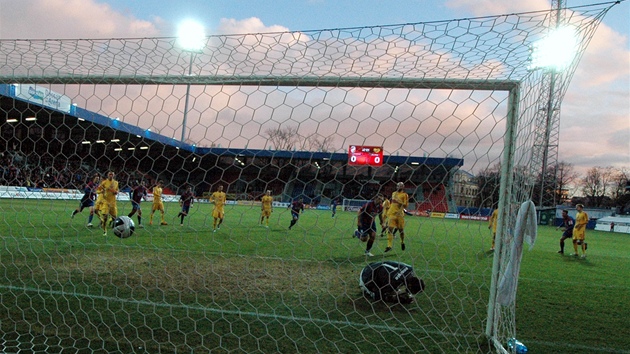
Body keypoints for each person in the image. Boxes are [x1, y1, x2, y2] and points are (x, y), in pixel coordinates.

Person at [359, 261, 425, 304]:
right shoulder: (393, 282)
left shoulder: (410, 269)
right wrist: (397, 299)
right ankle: (365, 288)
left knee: (394, 289)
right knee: (381, 296)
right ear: (410, 286)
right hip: (365, 275)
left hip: (373, 264)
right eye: (411, 291)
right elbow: (378, 297)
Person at [385, 182, 409, 252]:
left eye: (401, 186)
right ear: (396, 186)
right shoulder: (393, 193)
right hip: (392, 214)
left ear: (403, 187)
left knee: (401, 230)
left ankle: (402, 242)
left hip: (399, 215)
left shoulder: (405, 195)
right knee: (390, 229)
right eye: (398, 185)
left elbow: (406, 205)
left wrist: (398, 201)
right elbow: (393, 203)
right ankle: (389, 246)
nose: (399, 187)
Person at [98, 171, 119, 236]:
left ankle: (110, 221)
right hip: (106, 202)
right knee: (105, 217)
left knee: (115, 217)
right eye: (110, 174)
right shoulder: (104, 182)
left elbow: (117, 190)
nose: (111, 175)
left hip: (113, 202)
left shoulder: (116, 183)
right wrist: (101, 191)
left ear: (114, 175)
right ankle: (105, 230)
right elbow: (97, 190)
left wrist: (116, 192)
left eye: (112, 174)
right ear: (107, 175)